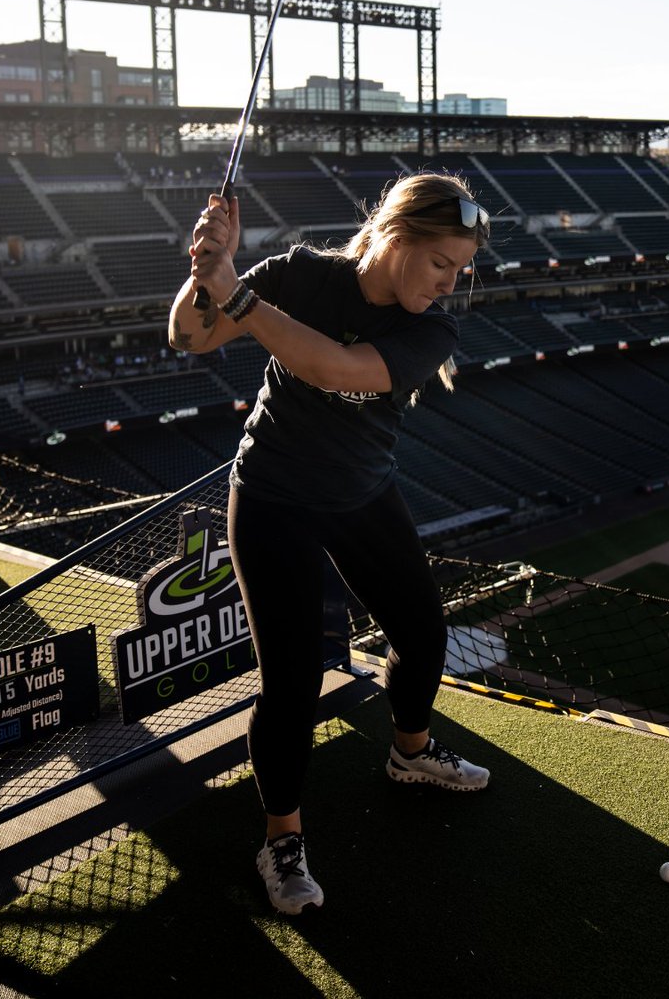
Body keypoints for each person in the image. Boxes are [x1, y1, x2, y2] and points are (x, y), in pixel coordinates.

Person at [168, 171, 492, 916]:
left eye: (460, 271)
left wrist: (242, 298)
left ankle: (410, 754)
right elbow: (193, 335)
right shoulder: (299, 275)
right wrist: (205, 275)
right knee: (291, 683)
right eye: (441, 263)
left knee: (421, 631)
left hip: (363, 494)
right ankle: (281, 838)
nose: (449, 284)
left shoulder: (430, 329)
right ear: (397, 236)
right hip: (274, 499)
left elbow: (336, 368)